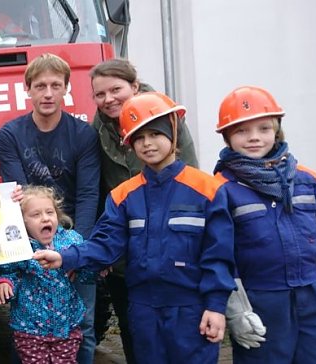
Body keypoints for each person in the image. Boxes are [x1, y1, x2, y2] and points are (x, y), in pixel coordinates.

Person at [34, 92, 236, 364]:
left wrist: (215, 306)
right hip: (143, 310)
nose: (147, 143)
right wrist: (65, 257)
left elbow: (219, 255)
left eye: (154, 134)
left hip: (192, 309)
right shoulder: (123, 195)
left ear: (173, 133)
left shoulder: (208, 190)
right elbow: (106, 245)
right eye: (138, 138)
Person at [212, 86, 316, 363]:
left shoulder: (309, 180)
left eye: (264, 128)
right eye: (242, 131)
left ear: (277, 130)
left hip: (314, 299)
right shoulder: (220, 190)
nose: (254, 137)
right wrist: (237, 311)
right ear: (227, 136)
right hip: (260, 304)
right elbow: (219, 258)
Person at [88, 58, 199, 362]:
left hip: (173, 247)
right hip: (126, 249)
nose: (109, 99)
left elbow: (188, 178)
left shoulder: (164, 116)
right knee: (134, 332)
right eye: (100, 94)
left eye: (116, 89)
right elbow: (99, 189)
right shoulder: (96, 129)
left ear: (134, 86)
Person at [0, 53, 100, 363]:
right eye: (40, 86)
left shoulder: (83, 135)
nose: (48, 93)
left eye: (56, 85)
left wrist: (74, 253)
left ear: (67, 88)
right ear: (28, 89)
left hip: (74, 241)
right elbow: (20, 196)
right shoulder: (10, 134)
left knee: (84, 327)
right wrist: (34, 250)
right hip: (30, 245)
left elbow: (88, 193)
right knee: (27, 331)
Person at [0, 185, 91, 363]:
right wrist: (3, 281)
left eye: (49, 212)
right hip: (29, 328)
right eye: (35, 215)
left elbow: (86, 268)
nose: (45, 218)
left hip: (66, 326)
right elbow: (6, 269)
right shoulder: (18, 247)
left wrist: (97, 267)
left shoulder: (72, 240)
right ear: (21, 221)